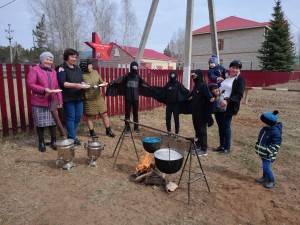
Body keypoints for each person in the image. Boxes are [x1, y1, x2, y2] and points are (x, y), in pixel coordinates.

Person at [27, 52, 63, 152]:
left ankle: (53, 141)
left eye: (51, 60)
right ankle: (41, 142)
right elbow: (30, 84)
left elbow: (57, 87)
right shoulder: (35, 70)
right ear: (42, 59)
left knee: (53, 123)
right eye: (47, 59)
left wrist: (60, 100)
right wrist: (44, 89)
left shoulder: (53, 72)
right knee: (40, 124)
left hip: (53, 101)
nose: (49, 62)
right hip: (39, 101)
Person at [106, 61, 150, 133]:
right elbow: (119, 80)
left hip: (135, 98)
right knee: (127, 113)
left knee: (135, 113)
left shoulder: (138, 77)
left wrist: (151, 87)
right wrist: (113, 82)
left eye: (135, 68)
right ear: (131, 68)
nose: (134, 69)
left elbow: (144, 84)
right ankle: (127, 128)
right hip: (128, 98)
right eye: (133, 67)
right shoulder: (127, 76)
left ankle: (136, 128)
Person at [213, 60, 246, 154]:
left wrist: (227, 100)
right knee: (220, 126)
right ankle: (221, 145)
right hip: (218, 105)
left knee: (226, 126)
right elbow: (220, 88)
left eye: (237, 68)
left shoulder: (240, 80)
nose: (235, 70)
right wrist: (216, 92)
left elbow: (239, 95)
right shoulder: (225, 77)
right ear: (230, 67)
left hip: (229, 107)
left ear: (239, 69)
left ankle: (227, 147)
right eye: (233, 67)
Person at [79, 59, 115, 138]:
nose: (92, 65)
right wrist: (83, 85)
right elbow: (79, 86)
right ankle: (92, 132)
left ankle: (108, 130)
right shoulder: (81, 75)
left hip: (98, 97)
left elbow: (101, 82)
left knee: (104, 114)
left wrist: (104, 83)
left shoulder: (95, 72)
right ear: (85, 66)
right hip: (89, 98)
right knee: (89, 116)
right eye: (90, 65)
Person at [57, 48, 85, 145]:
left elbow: (81, 80)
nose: (74, 59)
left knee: (78, 117)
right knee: (70, 117)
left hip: (79, 96)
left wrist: (84, 84)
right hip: (68, 97)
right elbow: (62, 83)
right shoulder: (62, 68)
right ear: (67, 56)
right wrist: (75, 85)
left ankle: (71, 134)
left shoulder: (77, 68)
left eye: (75, 57)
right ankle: (72, 138)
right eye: (72, 57)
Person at [151, 71, 190, 139]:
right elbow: (162, 91)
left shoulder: (178, 84)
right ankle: (169, 132)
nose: (172, 77)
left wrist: (189, 96)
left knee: (176, 119)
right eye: (171, 75)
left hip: (176, 105)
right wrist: (153, 89)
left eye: (173, 75)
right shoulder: (168, 84)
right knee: (168, 118)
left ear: (175, 76)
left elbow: (185, 91)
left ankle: (176, 134)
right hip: (169, 105)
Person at [255, 110, 282, 189]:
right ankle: (264, 177)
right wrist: (257, 146)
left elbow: (276, 145)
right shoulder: (264, 129)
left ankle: (271, 180)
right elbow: (260, 139)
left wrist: (267, 151)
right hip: (263, 153)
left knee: (267, 167)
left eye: (262, 121)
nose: (261, 122)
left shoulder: (275, 133)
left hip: (268, 154)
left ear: (268, 123)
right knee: (264, 167)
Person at [190, 69, 214, 156]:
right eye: (193, 76)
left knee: (202, 130)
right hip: (195, 111)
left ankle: (204, 149)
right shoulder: (196, 86)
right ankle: (198, 145)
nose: (193, 77)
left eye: (195, 76)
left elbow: (209, 97)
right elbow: (191, 95)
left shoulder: (203, 86)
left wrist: (213, 99)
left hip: (201, 112)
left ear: (199, 76)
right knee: (196, 129)